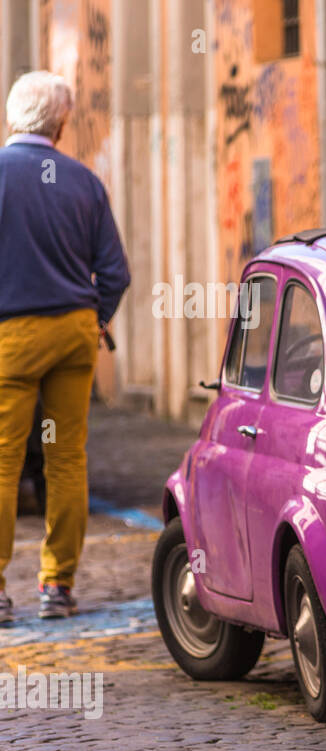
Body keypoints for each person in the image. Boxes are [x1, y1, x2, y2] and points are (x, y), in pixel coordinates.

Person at [0, 71, 130, 622]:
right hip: (76, 332)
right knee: (66, 459)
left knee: (4, 461)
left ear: (12, 115)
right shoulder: (83, 180)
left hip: (12, 336)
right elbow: (116, 273)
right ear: (61, 121)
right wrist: (96, 320)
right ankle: (58, 585)